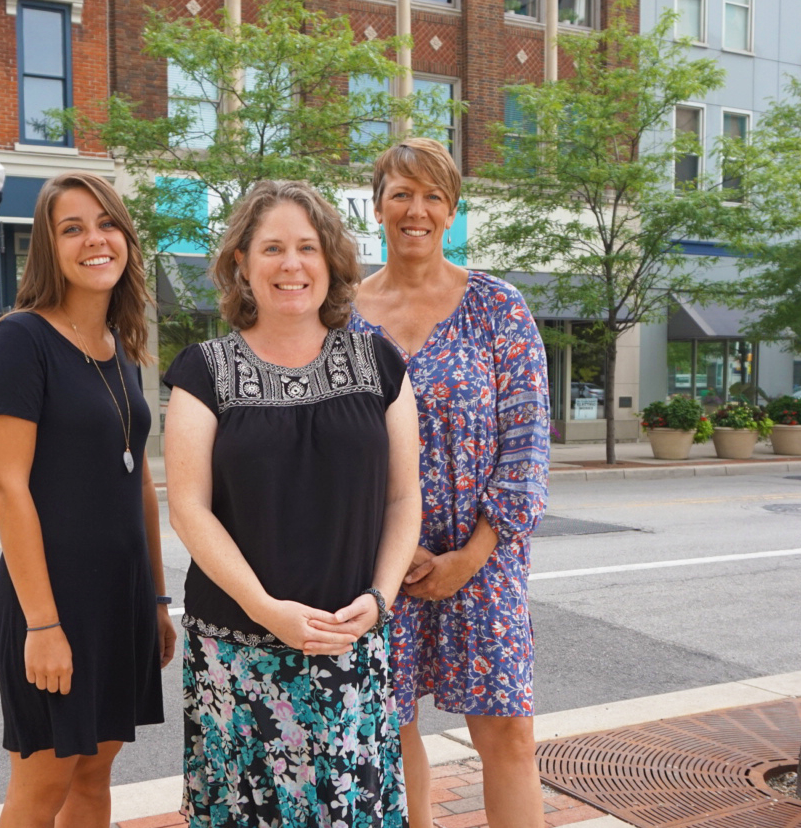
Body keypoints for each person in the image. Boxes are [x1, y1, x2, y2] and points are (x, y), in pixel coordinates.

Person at [163, 180, 422, 827]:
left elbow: (403, 495)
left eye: (307, 247)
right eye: (272, 247)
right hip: (238, 654)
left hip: (351, 645)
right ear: (242, 264)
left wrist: (381, 600)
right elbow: (189, 508)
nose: (291, 264)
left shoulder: (378, 361)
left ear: (331, 260)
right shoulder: (204, 371)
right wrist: (265, 609)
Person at [348, 137, 550, 828]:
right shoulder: (338, 315)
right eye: (401, 193)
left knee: (508, 733)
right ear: (377, 206)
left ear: (452, 210)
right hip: (376, 560)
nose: (417, 209)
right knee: (388, 728)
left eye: (433, 195)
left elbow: (525, 445)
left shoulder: (497, 307)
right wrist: (387, 555)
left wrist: (472, 556)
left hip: (481, 557)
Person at [0, 171, 175, 828]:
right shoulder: (22, 340)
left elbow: (138, 482)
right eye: (73, 227)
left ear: (126, 238)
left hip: (120, 600)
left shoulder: (119, 348)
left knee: (94, 775)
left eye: (107, 222)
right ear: (49, 248)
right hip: (52, 603)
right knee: (42, 788)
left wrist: (155, 599)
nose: (96, 238)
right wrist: (42, 624)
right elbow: (7, 487)